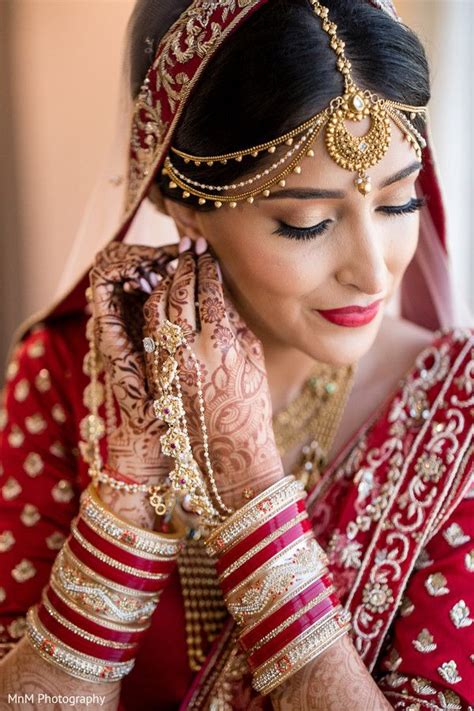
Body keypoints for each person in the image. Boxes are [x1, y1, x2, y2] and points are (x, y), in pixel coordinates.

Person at [0, 0, 473, 709]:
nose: (373, 272)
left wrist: (252, 493)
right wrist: (127, 492)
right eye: (306, 221)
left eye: (399, 202)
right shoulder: (69, 374)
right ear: (182, 197)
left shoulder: (455, 408)